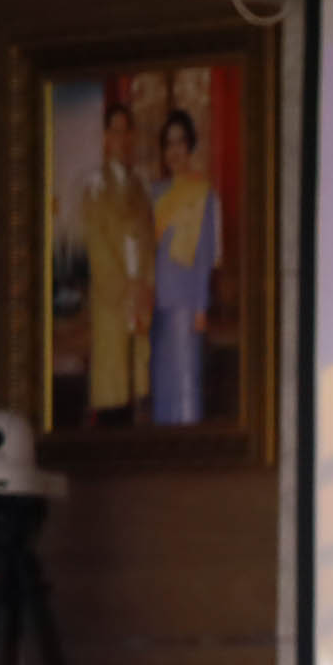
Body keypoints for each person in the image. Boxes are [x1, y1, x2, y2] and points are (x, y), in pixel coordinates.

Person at [79, 101, 154, 425]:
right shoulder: (95, 186)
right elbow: (97, 245)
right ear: (106, 137)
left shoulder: (140, 186)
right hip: (113, 298)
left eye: (127, 132)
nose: (122, 139)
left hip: (138, 296)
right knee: (113, 385)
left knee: (137, 382)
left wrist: (144, 285)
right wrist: (124, 288)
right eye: (115, 132)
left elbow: (149, 241)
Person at [148, 108, 221, 425]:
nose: (174, 150)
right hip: (156, 302)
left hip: (186, 303)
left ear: (190, 146)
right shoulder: (155, 193)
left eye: (180, 142)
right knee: (162, 381)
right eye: (168, 143)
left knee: (186, 381)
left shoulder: (204, 194)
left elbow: (205, 255)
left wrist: (201, 308)